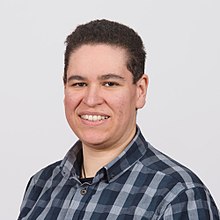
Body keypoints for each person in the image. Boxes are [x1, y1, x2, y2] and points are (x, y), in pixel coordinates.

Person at [18, 19, 220, 220]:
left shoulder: (178, 195)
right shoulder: (41, 185)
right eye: (79, 84)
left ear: (140, 91)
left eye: (109, 83)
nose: (91, 99)